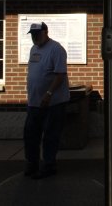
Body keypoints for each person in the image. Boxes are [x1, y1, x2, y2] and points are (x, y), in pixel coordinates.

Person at [23, 22, 70, 179]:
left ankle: (49, 165)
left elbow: (60, 75)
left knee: (50, 135)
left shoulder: (56, 49)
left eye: (38, 34)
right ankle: (32, 163)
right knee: (30, 134)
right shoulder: (33, 49)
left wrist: (49, 93)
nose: (35, 37)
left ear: (46, 32)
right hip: (34, 102)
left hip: (53, 103)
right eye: (33, 35)